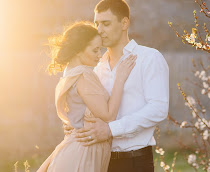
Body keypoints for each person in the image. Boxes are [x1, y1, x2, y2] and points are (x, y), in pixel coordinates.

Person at [74, 0, 169, 172]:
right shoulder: (97, 68)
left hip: (135, 161)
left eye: (106, 24)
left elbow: (158, 109)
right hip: (101, 161)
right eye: (97, 24)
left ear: (124, 23)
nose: (99, 30)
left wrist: (111, 130)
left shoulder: (149, 58)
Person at [37, 21, 137, 172]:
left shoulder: (68, 76)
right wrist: (120, 79)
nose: (99, 55)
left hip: (75, 150)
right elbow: (109, 116)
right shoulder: (84, 74)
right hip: (83, 154)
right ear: (78, 50)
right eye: (95, 50)